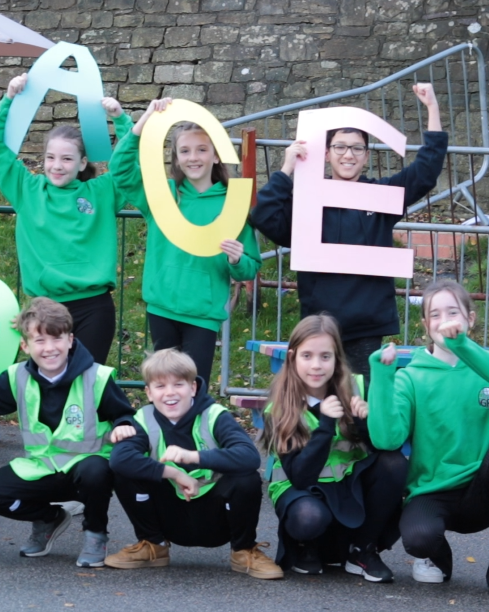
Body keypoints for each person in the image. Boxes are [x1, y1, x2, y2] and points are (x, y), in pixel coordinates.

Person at [251, 83, 447, 382]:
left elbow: (425, 172)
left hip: (367, 326)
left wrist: (432, 108)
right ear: (327, 153)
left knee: (361, 411)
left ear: (366, 155)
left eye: (357, 148)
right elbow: (264, 216)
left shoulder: (382, 196)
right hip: (319, 325)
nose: (348, 155)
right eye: (340, 147)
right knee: (323, 411)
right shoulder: (308, 199)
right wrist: (286, 169)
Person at [0, 297, 135, 568]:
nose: (49, 348)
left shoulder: (96, 377)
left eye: (56, 339)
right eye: (39, 341)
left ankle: (95, 533)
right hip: (42, 468)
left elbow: (123, 414)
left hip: (87, 469)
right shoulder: (18, 376)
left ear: (70, 340)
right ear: (25, 345)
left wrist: (122, 425)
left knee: (95, 471)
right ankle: (49, 517)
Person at [0, 73, 134, 365]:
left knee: (87, 384)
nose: (57, 166)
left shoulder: (101, 192)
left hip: (93, 306)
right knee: (49, 385)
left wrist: (120, 118)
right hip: (44, 306)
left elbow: (128, 163)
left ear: (82, 163)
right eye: (50, 158)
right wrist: (9, 100)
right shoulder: (27, 189)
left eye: (66, 159)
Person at [109, 98, 261, 386]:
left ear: (216, 156)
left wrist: (237, 259)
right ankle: (162, 433)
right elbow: (120, 169)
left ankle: (197, 432)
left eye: (202, 149)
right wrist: (144, 121)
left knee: (194, 387)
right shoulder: (162, 194)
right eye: (185, 151)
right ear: (176, 158)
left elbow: (250, 268)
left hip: (203, 314)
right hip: (162, 307)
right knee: (163, 386)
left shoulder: (234, 203)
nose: (194, 157)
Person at [104, 349, 282, 579]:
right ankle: (153, 544)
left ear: (193, 388)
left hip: (216, 516)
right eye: (160, 386)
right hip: (171, 514)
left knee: (246, 477)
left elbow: (250, 456)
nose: (170, 393)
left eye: (178, 384)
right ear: (148, 392)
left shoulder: (214, 415)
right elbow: (120, 459)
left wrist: (193, 457)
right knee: (124, 470)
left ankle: (243, 549)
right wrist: (174, 474)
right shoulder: (144, 418)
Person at [261, 314, 407, 582]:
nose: (316, 365)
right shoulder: (280, 406)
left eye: (325, 357)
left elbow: (382, 447)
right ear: (292, 357)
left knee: (394, 463)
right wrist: (326, 423)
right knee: (309, 517)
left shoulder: (356, 387)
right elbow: (301, 477)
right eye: (307, 356)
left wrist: (364, 423)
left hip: (348, 484)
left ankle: (363, 549)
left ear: (337, 358)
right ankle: (307, 548)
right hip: (302, 490)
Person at [369, 280, 489, 587]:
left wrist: (462, 346)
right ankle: (436, 555)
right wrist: (382, 377)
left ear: (470, 319)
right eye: (435, 314)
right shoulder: (411, 377)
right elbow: (387, 439)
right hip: (433, 490)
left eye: (453, 311)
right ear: (425, 324)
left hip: (482, 486)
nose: (445, 320)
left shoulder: (482, 366)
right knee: (419, 538)